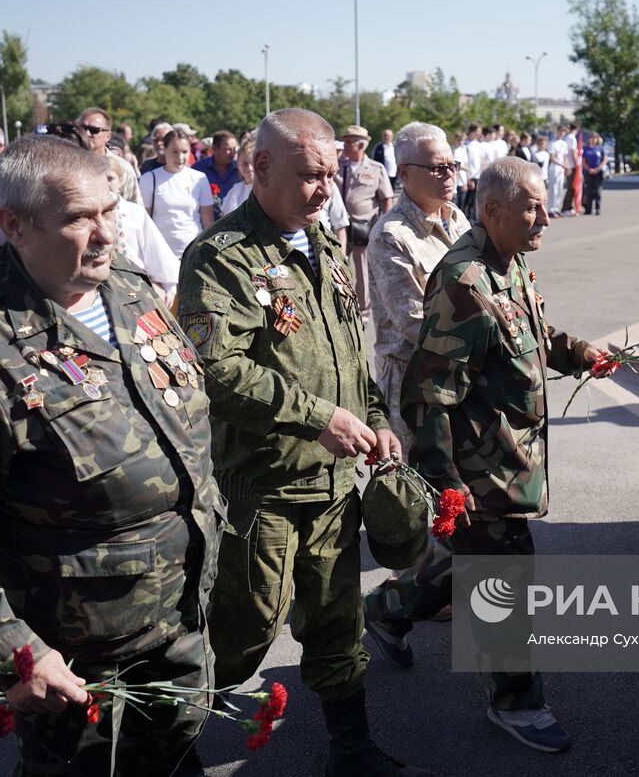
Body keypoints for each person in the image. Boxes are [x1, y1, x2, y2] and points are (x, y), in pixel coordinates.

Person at [0, 135, 222, 776]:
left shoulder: (129, 288)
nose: (106, 232)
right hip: (78, 657)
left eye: (110, 208)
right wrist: (13, 650)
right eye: (80, 217)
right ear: (13, 225)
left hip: (183, 617)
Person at [176, 108, 428, 776]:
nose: (322, 189)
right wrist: (316, 415)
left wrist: (376, 419)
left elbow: (350, 350)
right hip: (264, 488)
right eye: (308, 175)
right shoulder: (220, 256)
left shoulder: (322, 249)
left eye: (329, 175)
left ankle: (351, 750)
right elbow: (218, 369)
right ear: (259, 169)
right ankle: (167, 747)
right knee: (244, 627)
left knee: (337, 623)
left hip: (333, 484)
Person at [399, 157, 606, 753]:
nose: (547, 217)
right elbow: (429, 393)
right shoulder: (465, 280)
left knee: (468, 567)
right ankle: (516, 701)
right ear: (493, 212)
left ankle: (387, 612)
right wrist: (443, 485)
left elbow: (530, 338)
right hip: (479, 469)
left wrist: (579, 352)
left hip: (510, 460)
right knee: (505, 582)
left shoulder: (509, 264)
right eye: (533, 208)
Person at [361, 122, 471, 666]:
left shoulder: (457, 219)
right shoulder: (390, 236)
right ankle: (400, 602)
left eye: (452, 165)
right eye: (436, 167)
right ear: (404, 174)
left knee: (452, 491)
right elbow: (413, 322)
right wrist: (491, 332)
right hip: (413, 382)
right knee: (424, 494)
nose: (448, 174)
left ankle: (425, 593)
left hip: (460, 378)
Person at [335, 124, 394, 315]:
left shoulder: (376, 169)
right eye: (344, 141)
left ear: (361, 146)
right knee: (337, 266)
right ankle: (341, 304)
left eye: (349, 142)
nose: (344, 145)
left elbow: (387, 199)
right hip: (339, 226)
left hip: (363, 226)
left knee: (362, 270)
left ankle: (362, 309)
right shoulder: (337, 165)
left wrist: (383, 226)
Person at [104, 153, 180, 299]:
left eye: (110, 178)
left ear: (120, 181)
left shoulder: (135, 212)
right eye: (98, 179)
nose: (105, 183)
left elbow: (155, 249)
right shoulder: (87, 215)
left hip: (134, 281)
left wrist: (168, 285)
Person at [140, 129, 215, 259]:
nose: (180, 157)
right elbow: (144, 221)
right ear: (164, 149)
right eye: (174, 151)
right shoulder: (149, 178)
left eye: (184, 152)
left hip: (193, 253)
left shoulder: (199, 178)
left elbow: (208, 222)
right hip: (160, 254)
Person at [195, 130, 241, 200]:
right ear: (214, 149)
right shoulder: (198, 169)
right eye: (228, 149)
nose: (232, 153)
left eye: (234, 149)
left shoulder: (240, 170)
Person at [219, 133, 256, 215]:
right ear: (238, 165)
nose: (249, 168)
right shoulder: (235, 190)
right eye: (244, 163)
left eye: (252, 163)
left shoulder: (268, 190)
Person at [581, 132, 606, 215]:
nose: (593, 139)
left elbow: (605, 160)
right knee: (589, 191)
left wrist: (597, 169)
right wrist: (589, 169)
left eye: (595, 138)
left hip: (598, 172)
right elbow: (583, 161)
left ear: (597, 139)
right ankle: (588, 209)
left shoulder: (601, 148)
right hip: (588, 172)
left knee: (598, 191)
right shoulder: (586, 148)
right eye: (591, 137)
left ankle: (598, 208)